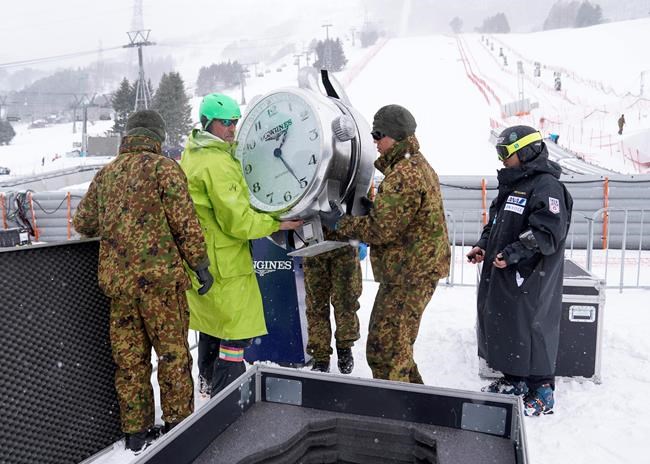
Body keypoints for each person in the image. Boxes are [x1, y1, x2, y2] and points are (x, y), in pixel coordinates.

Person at [73, 110, 213, 453]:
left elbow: (83, 223)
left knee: (130, 361)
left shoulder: (106, 175)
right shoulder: (164, 168)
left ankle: (136, 433)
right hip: (162, 287)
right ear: (157, 136)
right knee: (172, 357)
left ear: (128, 135)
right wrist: (201, 265)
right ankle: (178, 427)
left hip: (120, 290)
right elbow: (185, 224)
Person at [180, 93, 302, 398]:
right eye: (225, 123)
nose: (232, 128)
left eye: (235, 122)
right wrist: (277, 223)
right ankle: (228, 397)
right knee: (236, 334)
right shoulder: (216, 164)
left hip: (204, 260)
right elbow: (238, 221)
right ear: (208, 123)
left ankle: (207, 385)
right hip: (225, 264)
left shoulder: (192, 153)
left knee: (211, 327)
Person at [320, 104, 450, 384]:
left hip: (409, 275)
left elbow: (381, 230)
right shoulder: (414, 165)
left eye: (378, 135)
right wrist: (375, 209)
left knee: (386, 352)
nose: (375, 142)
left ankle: (398, 411)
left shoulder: (404, 174)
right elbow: (398, 219)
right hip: (411, 272)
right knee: (396, 348)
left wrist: (339, 222)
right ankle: (417, 403)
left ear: (396, 136)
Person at [466, 125, 573, 417]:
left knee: (532, 326)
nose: (501, 159)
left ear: (526, 152)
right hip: (504, 269)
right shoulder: (513, 184)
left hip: (531, 274)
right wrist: (483, 246)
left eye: (506, 153)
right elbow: (497, 223)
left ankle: (542, 390)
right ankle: (515, 380)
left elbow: (545, 232)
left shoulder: (547, 187)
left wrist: (513, 253)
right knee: (509, 326)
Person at [303, 239, 363, 374]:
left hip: (344, 243)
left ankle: (344, 347)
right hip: (313, 245)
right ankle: (320, 357)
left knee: (346, 302)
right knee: (316, 306)